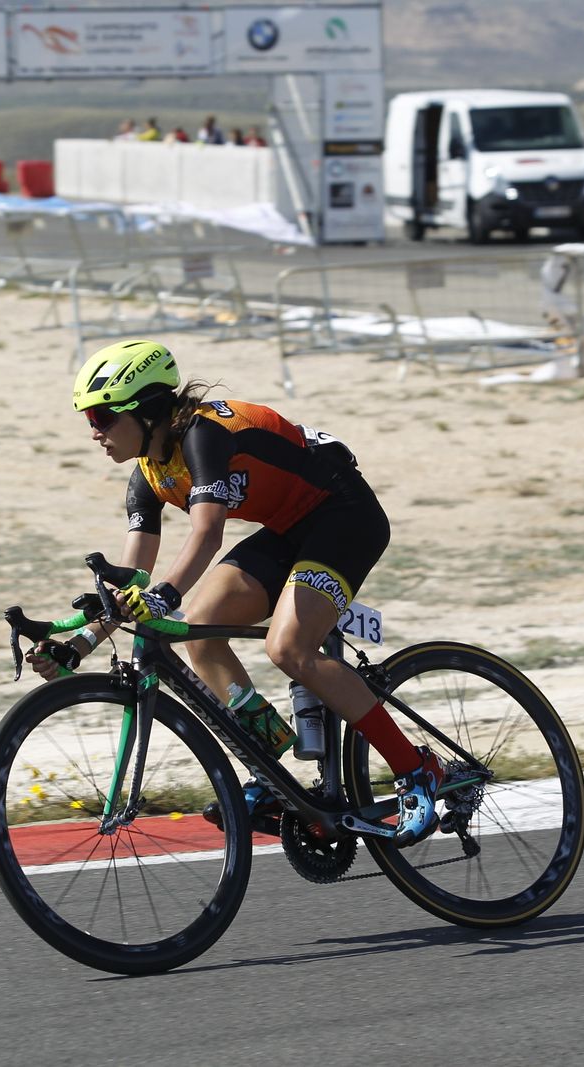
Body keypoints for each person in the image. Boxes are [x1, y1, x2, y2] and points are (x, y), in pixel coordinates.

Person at [28, 339, 445, 846]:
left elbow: (207, 533)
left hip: (343, 515)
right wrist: (80, 643)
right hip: (288, 529)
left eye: (100, 417)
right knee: (198, 632)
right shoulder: (148, 472)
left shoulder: (204, 436)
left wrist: (163, 596)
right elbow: (131, 579)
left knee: (288, 647)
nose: (94, 432)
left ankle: (418, 768)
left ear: (145, 410)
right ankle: (273, 775)